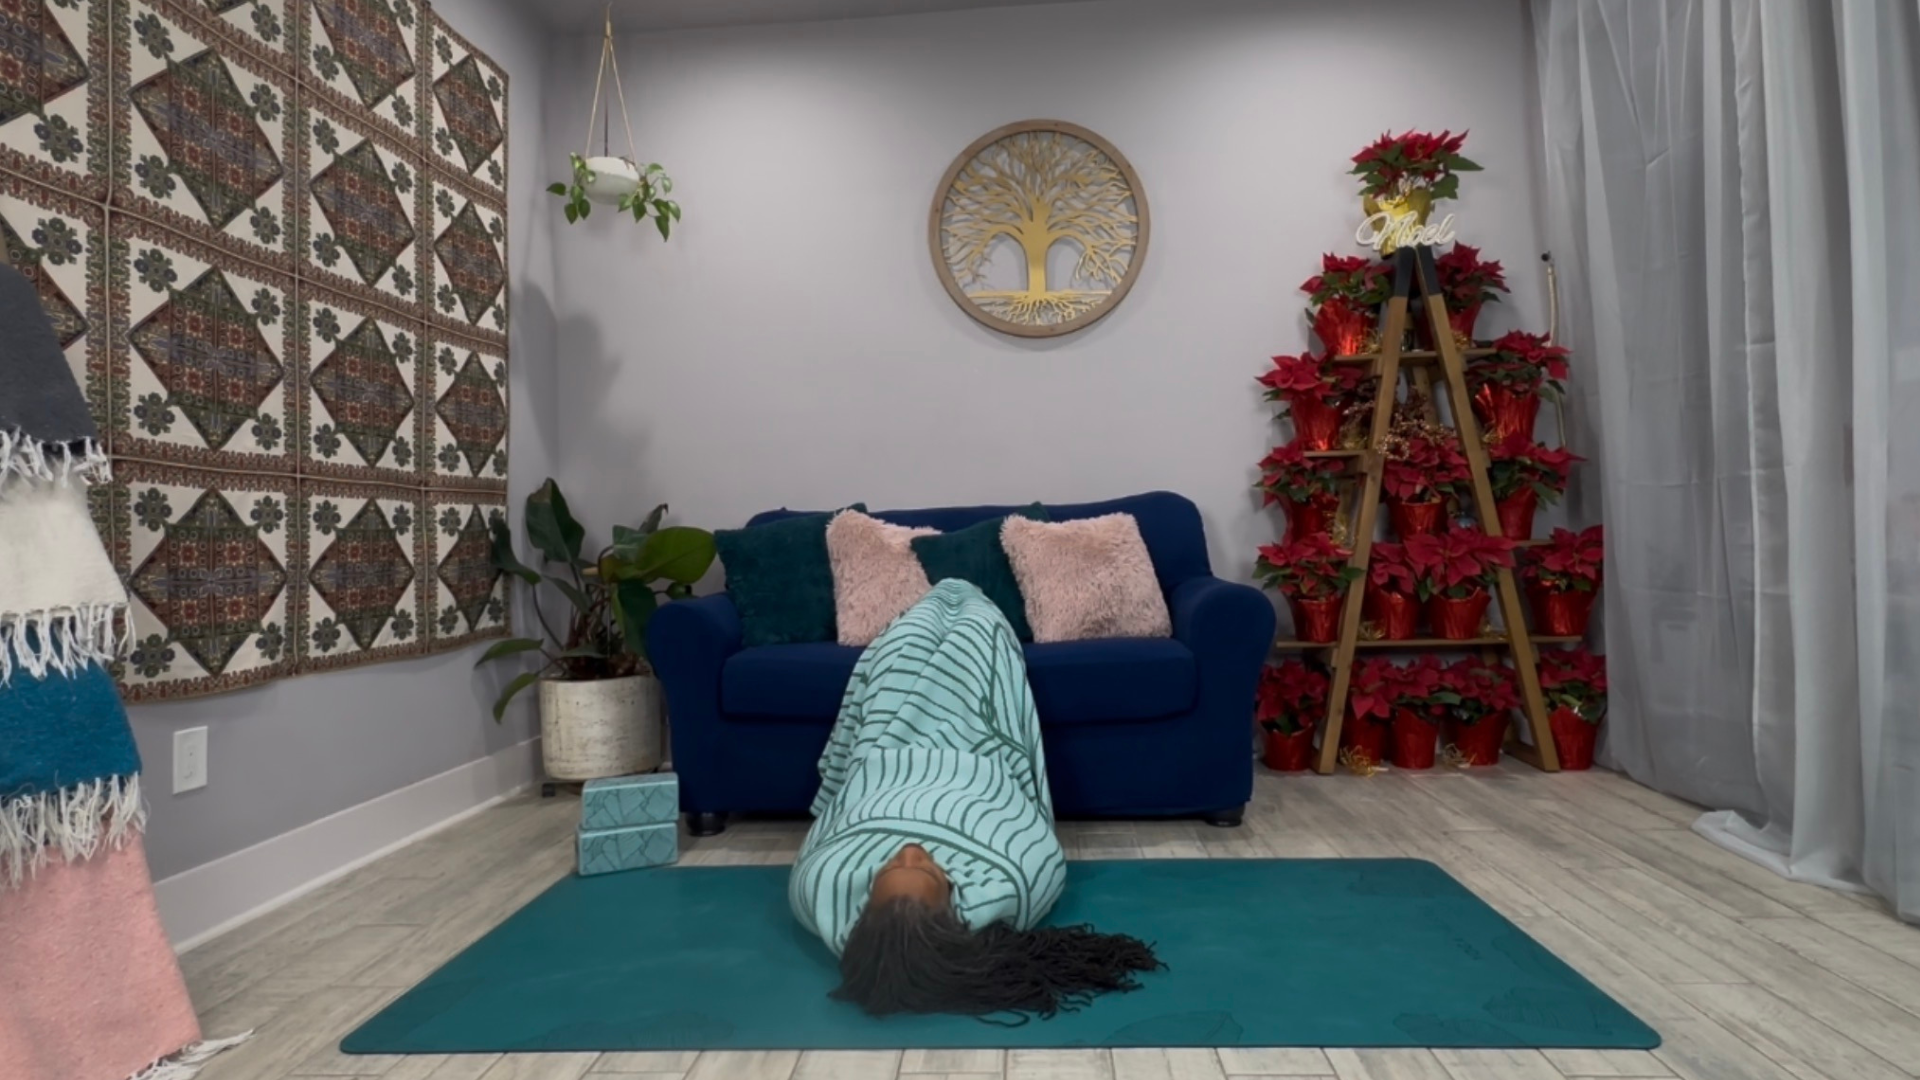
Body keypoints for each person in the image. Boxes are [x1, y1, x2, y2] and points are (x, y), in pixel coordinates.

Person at [788, 578, 1162, 1020]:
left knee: (904, 644)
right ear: (953, 903)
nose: (910, 851)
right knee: (975, 635)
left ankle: (932, 609)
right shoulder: (1008, 888)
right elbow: (1036, 856)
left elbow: (828, 844)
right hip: (973, 765)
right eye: (926, 868)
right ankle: (972, 604)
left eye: (889, 866)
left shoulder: (818, 891)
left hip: (887, 757)